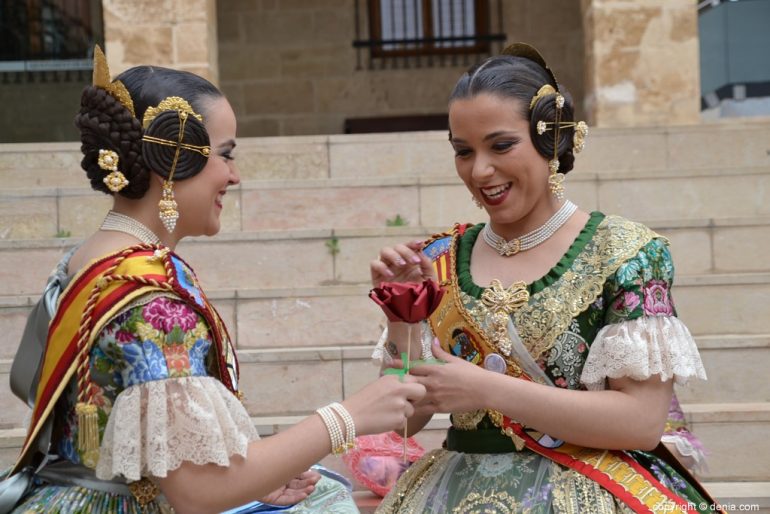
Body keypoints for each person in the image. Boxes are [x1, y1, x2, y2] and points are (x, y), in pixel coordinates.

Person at [0, 46, 425, 514]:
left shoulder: (91, 260)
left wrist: (254, 479)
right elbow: (198, 491)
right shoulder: (151, 301)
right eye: (225, 154)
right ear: (172, 157)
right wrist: (346, 418)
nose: (234, 175)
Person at [369, 43, 719, 513]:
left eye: (501, 145)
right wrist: (402, 316)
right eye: (463, 151)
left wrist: (485, 389)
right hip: (453, 493)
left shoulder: (625, 252)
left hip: (587, 491)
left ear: (550, 139)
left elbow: (640, 423)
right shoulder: (439, 259)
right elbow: (405, 422)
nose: (480, 171)